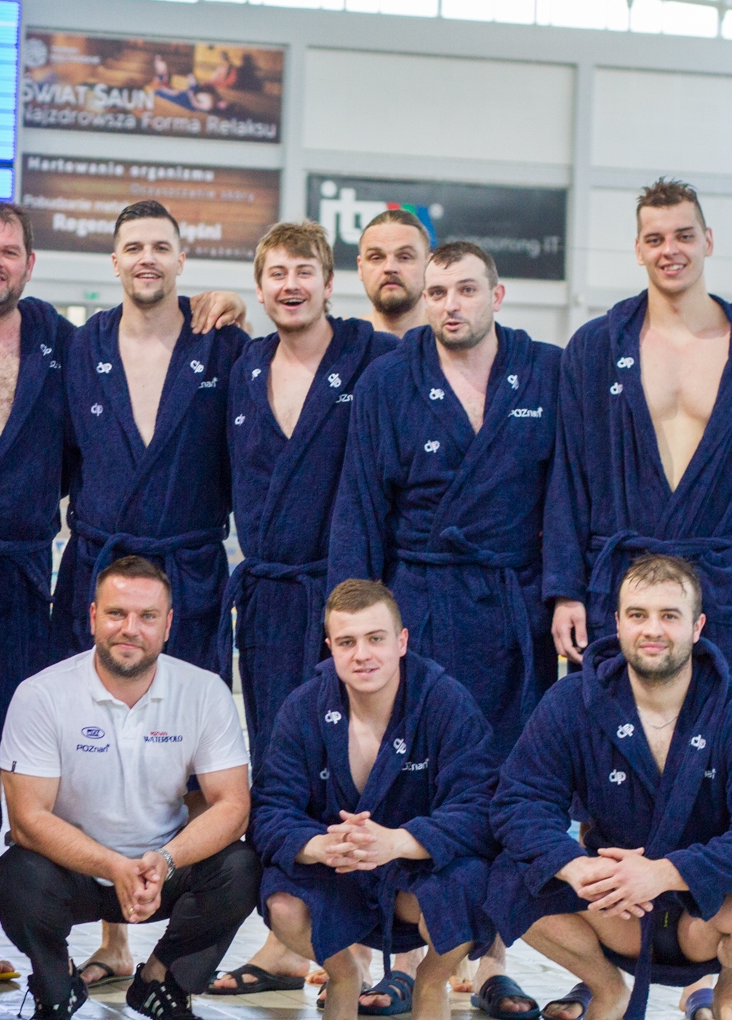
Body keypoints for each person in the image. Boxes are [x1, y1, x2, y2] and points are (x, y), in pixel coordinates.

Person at [0, 203, 248, 720]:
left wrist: (228, 303)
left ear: (29, 265)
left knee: (57, 730)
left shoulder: (60, 339)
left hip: (44, 580)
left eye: (9, 252)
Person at [327, 241, 561, 1015]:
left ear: (498, 293)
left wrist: (565, 593)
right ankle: (392, 957)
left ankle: (491, 956)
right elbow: (359, 508)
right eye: (437, 292)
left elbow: (569, 498)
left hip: (511, 613)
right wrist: (353, 629)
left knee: (504, 786)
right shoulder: (391, 379)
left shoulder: (548, 373)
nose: (451, 303)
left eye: (466, 289)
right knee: (402, 782)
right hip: (418, 605)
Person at [545, 178, 732, 701]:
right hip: (622, 588)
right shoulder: (594, 346)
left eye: (683, 235)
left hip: (717, 586)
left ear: (708, 239)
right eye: (655, 239)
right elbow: (567, 479)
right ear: (638, 250)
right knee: (608, 750)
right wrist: (565, 591)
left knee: (728, 746)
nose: (670, 250)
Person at [488, 554, 732, 1020]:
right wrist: (574, 866)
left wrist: (664, 872)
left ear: (697, 626)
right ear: (617, 623)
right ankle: (606, 988)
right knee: (506, 876)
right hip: (610, 908)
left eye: (669, 616)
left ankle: (727, 997)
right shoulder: (570, 703)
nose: (652, 630)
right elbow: (519, 803)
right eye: (638, 615)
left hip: (703, 913)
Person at [207, 223, 397, 998]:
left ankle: (389, 945)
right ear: (258, 288)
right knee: (284, 765)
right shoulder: (243, 365)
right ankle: (290, 938)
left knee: (365, 763)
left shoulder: (374, 355)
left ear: (330, 282)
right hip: (271, 600)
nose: (290, 284)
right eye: (275, 273)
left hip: (347, 597)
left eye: (305, 272)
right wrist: (207, 303)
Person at [0, 556, 260, 1020]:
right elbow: (28, 819)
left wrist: (166, 859)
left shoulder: (203, 691)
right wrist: (112, 865)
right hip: (70, 872)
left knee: (240, 867)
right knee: (15, 875)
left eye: (147, 617)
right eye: (117, 614)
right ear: (93, 617)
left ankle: (162, 979)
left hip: (163, 868)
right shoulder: (41, 694)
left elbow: (233, 805)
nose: (130, 629)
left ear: (168, 624)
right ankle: (56, 987)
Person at [254, 580, 500, 1020]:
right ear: (329, 647)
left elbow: (479, 806)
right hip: (338, 871)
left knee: (463, 890)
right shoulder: (304, 707)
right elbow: (271, 807)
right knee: (283, 903)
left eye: (375, 639)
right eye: (347, 642)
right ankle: (345, 974)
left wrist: (399, 842)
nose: (361, 654)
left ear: (402, 641)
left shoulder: (444, 702)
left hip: (416, 872)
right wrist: (319, 846)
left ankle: (429, 982)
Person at [50, 200, 250, 672]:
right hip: (99, 573)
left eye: (161, 247)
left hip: (189, 576)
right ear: (115, 261)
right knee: (87, 725)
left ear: (181, 261)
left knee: (186, 728)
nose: (148, 258)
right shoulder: (80, 346)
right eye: (134, 247)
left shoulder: (224, 345)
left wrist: (240, 305)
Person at [356, 210, 431, 339]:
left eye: (405, 257)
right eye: (376, 257)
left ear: (428, 266)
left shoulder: (454, 343)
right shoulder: (342, 343)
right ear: (360, 268)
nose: (390, 267)